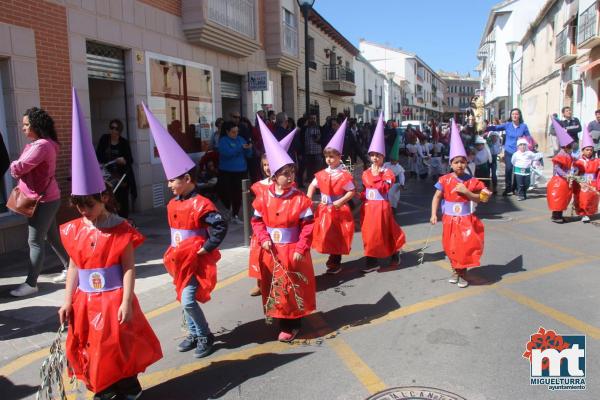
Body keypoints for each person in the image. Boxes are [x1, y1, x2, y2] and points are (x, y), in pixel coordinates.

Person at [59, 90, 162, 399]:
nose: (83, 212)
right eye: (78, 207)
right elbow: (74, 265)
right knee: (92, 345)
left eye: (88, 206)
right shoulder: (75, 229)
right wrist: (67, 301)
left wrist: (127, 301)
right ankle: (103, 386)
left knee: (119, 344)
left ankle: (127, 386)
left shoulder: (119, 228)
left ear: (103, 197)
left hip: (113, 297)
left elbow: (128, 267)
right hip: (86, 302)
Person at [144, 104, 227, 358]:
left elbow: (219, 226)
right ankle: (192, 332)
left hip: (196, 259)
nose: (169, 185)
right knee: (182, 296)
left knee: (189, 299)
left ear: (187, 180)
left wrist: (206, 248)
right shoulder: (172, 204)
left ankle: (205, 335)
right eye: (168, 180)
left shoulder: (202, 204)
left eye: (173, 180)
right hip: (178, 259)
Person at [252, 117, 316, 342]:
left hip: (292, 249)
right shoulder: (263, 198)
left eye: (292, 172)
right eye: (285, 173)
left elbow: (308, 225)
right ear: (274, 176)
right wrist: (263, 238)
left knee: (291, 286)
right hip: (272, 250)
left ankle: (292, 323)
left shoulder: (300, 200)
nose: (290, 177)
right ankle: (282, 318)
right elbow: (257, 222)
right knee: (275, 286)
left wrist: (301, 246)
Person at [9, 107, 69, 295]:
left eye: (26, 124)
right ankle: (71, 268)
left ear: (36, 125)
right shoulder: (45, 143)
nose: (23, 128)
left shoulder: (41, 146)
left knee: (34, 241)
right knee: (51, 237)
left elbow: (18, 168)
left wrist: (13, 164)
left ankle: (31, 283)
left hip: (42, 201)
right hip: (48, 198)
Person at [430, 121, 490, 288]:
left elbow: (484, 197)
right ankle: (455, 270)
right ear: (450, 163)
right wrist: (434, 214)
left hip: (464, 219)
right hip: (449, 219)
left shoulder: (471, 180)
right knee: (450, 246)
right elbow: (436, 197)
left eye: (463, 161)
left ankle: (462, 272)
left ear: (467, 162)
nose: (460, 165)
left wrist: (467, 193)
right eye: (456, 162)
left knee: (464, 246)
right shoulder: (444, 179)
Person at [248, 130, 297, 296]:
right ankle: (260, 282)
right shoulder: (258, 185)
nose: (268, 168)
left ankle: (277, 282)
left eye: (270, 164)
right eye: (265, 165)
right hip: (263, 228)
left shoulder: (288, 186)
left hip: (280, 229)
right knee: (259, 256)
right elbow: (256, 212)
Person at [307, 119, 355, 275]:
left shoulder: (343, 174)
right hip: (324, 208)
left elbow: (351, 191)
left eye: (332, 156)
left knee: (337, 235)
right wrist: (309, 198)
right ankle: (332, 257)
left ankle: (335, 261)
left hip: (338, 209)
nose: (329, 159)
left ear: (339, 157)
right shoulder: (323, 173)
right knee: (324, 233)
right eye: (327, 156)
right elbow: (312, 185)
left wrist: (340, 201)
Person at [360, 114, 406, 272]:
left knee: (386, 231)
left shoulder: (388, 172)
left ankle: (394, 253)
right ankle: (371, 260)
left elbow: (384, 188)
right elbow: (366, 188)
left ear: (383, 157)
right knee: (368, 233)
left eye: (377, 155)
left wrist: (376, 177)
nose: (374, 158)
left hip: (382, 207)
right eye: (372, 155)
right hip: (368, 207)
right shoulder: (366, 172)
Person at [95, 119, 137, 219]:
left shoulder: (123, 142)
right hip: (107, 177)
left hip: (121, 178)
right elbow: (98, 155)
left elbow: (130, 160)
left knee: (122, 201)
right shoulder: (104, 139)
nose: (113, 130)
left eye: (116, 128)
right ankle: (109, 220)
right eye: (112, 128)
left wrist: (124, 161)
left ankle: (123, 221)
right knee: (108, 200)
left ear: (120, 130)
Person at [485, 108, 531, 196]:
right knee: (508, 169)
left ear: (519, 115)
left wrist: (530, 146)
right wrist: (484, 127)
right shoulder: (507, 125)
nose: (514, 115)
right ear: (511, 116)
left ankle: (516, 188)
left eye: (516, 114)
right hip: (509, 151)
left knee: (517, 171)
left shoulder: (523, 126)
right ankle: (508, 188)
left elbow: (528, 137)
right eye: (513, 114)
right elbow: (496, 127)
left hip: (519, 152)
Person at [218, 121, 253, 224]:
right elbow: (227, 153)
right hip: (226, 171)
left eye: (237, 131)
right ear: (227, 132)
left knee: (238, 194)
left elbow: (248, 154)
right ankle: (228, 209)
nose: (235, 134)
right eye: (233, 132)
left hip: (240, 170)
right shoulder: (223, 141)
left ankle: (235, 215)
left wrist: (248, 149)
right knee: (225, 192)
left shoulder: (241, 139)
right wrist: (240, 148)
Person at [547, 119, 575, 224]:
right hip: (559, 180)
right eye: (570, 146)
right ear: (565, 147)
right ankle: (555, 216)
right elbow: (557, 167)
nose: (571, 148)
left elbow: (572, 164)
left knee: (564, 198)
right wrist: (565, 175)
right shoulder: (560, 155)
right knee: (557, 198)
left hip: (565, 180)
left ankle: (559, 215)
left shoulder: (569, 155)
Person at [573, 127, 598, 223]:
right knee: (583, 199)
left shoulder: (596, 161)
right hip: (582, 183)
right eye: (587, 150)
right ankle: (583, 214)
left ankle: (589, 213)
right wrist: (579, 181)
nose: (589, 152)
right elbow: (575, 173)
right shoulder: (579, 161)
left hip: (593, 182)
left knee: (592, 198)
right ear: (583, 151)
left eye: (591, 150)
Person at [298, 113, 323, 187]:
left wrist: (319, 139)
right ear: (308, 119)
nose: (313, 120)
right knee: (309, 170)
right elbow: (301, 140)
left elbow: (323, 139)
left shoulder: (320, 128)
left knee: (318, 170)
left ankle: (318, 187)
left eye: (314, 118)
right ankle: (310, 185)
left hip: (317, 152)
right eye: (311, 118)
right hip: (307, 152)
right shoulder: (304, 129)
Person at [383, 135, 406, 212]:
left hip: (395, 184)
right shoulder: (386, 164)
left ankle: (393, 208)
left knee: (393, 196)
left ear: (397, 160)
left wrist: (402, 184)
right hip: (386, 183)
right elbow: (382, 171)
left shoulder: (399, 168)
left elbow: (401, 176)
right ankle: (387, 208)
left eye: (394, 160)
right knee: (386, 195)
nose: (393, 161)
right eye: (392, 160)